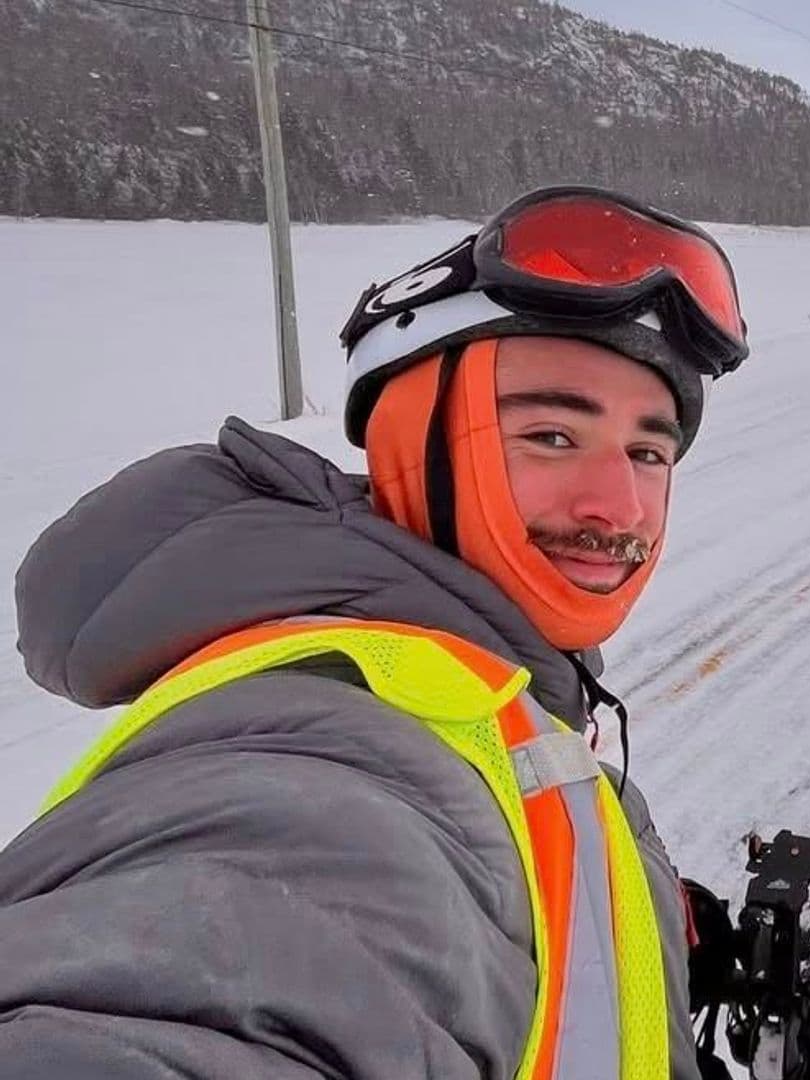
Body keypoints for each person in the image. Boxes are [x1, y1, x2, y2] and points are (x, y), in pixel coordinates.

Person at [0, 185, 747, 1078]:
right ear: (412, 444)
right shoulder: (324, 769)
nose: (617, 507)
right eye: (550, 435)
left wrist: (611, 931)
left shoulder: (471, 688)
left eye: (647, 452)